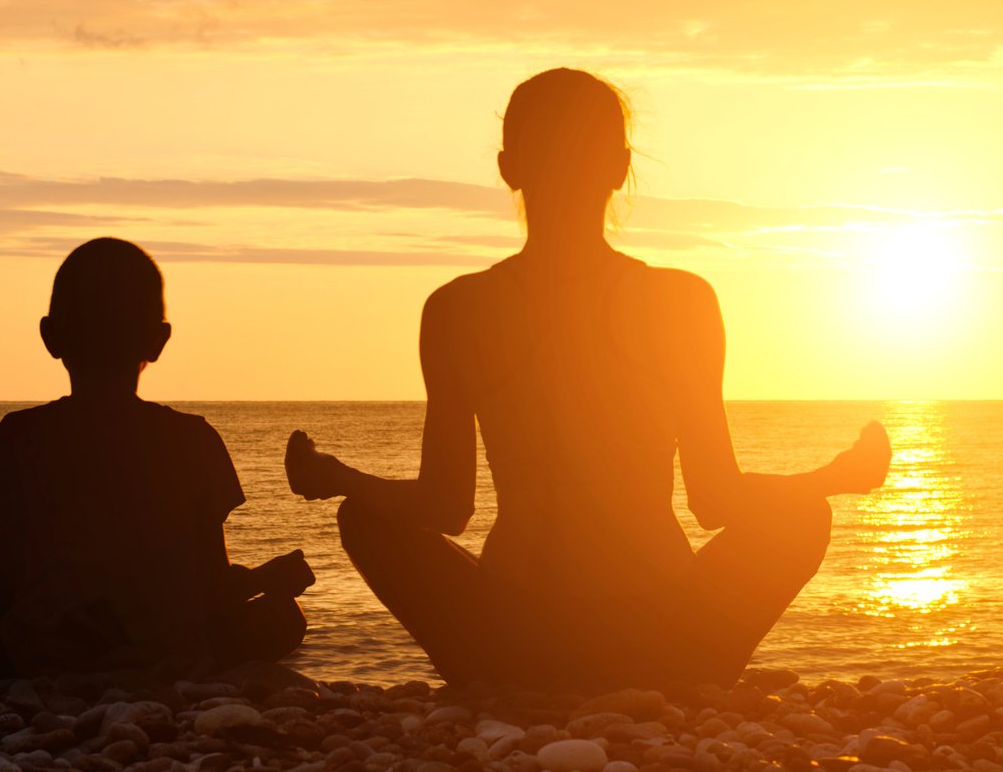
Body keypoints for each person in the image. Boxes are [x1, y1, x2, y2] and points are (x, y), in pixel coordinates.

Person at [285, 68, 892, 691]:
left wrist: (339, 478)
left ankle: (504, 685)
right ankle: (689, 681)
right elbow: (717, 498)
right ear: (620, 165)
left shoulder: (458, 308)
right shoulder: (678, 301)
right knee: (802, 515)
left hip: (508, 645)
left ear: (506, 166)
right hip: (663, 642)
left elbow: (446, 506)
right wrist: (835, 478)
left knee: (365, 518)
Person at [0, 237, 312, 680]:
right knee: (284, 616)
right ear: (159, 341)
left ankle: (13, 684)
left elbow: (11, 582)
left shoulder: (18, 436)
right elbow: (206, 586)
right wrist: (266, 580)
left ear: (50, 336)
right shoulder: (193, 439)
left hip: (51, 663)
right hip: (165, 659)